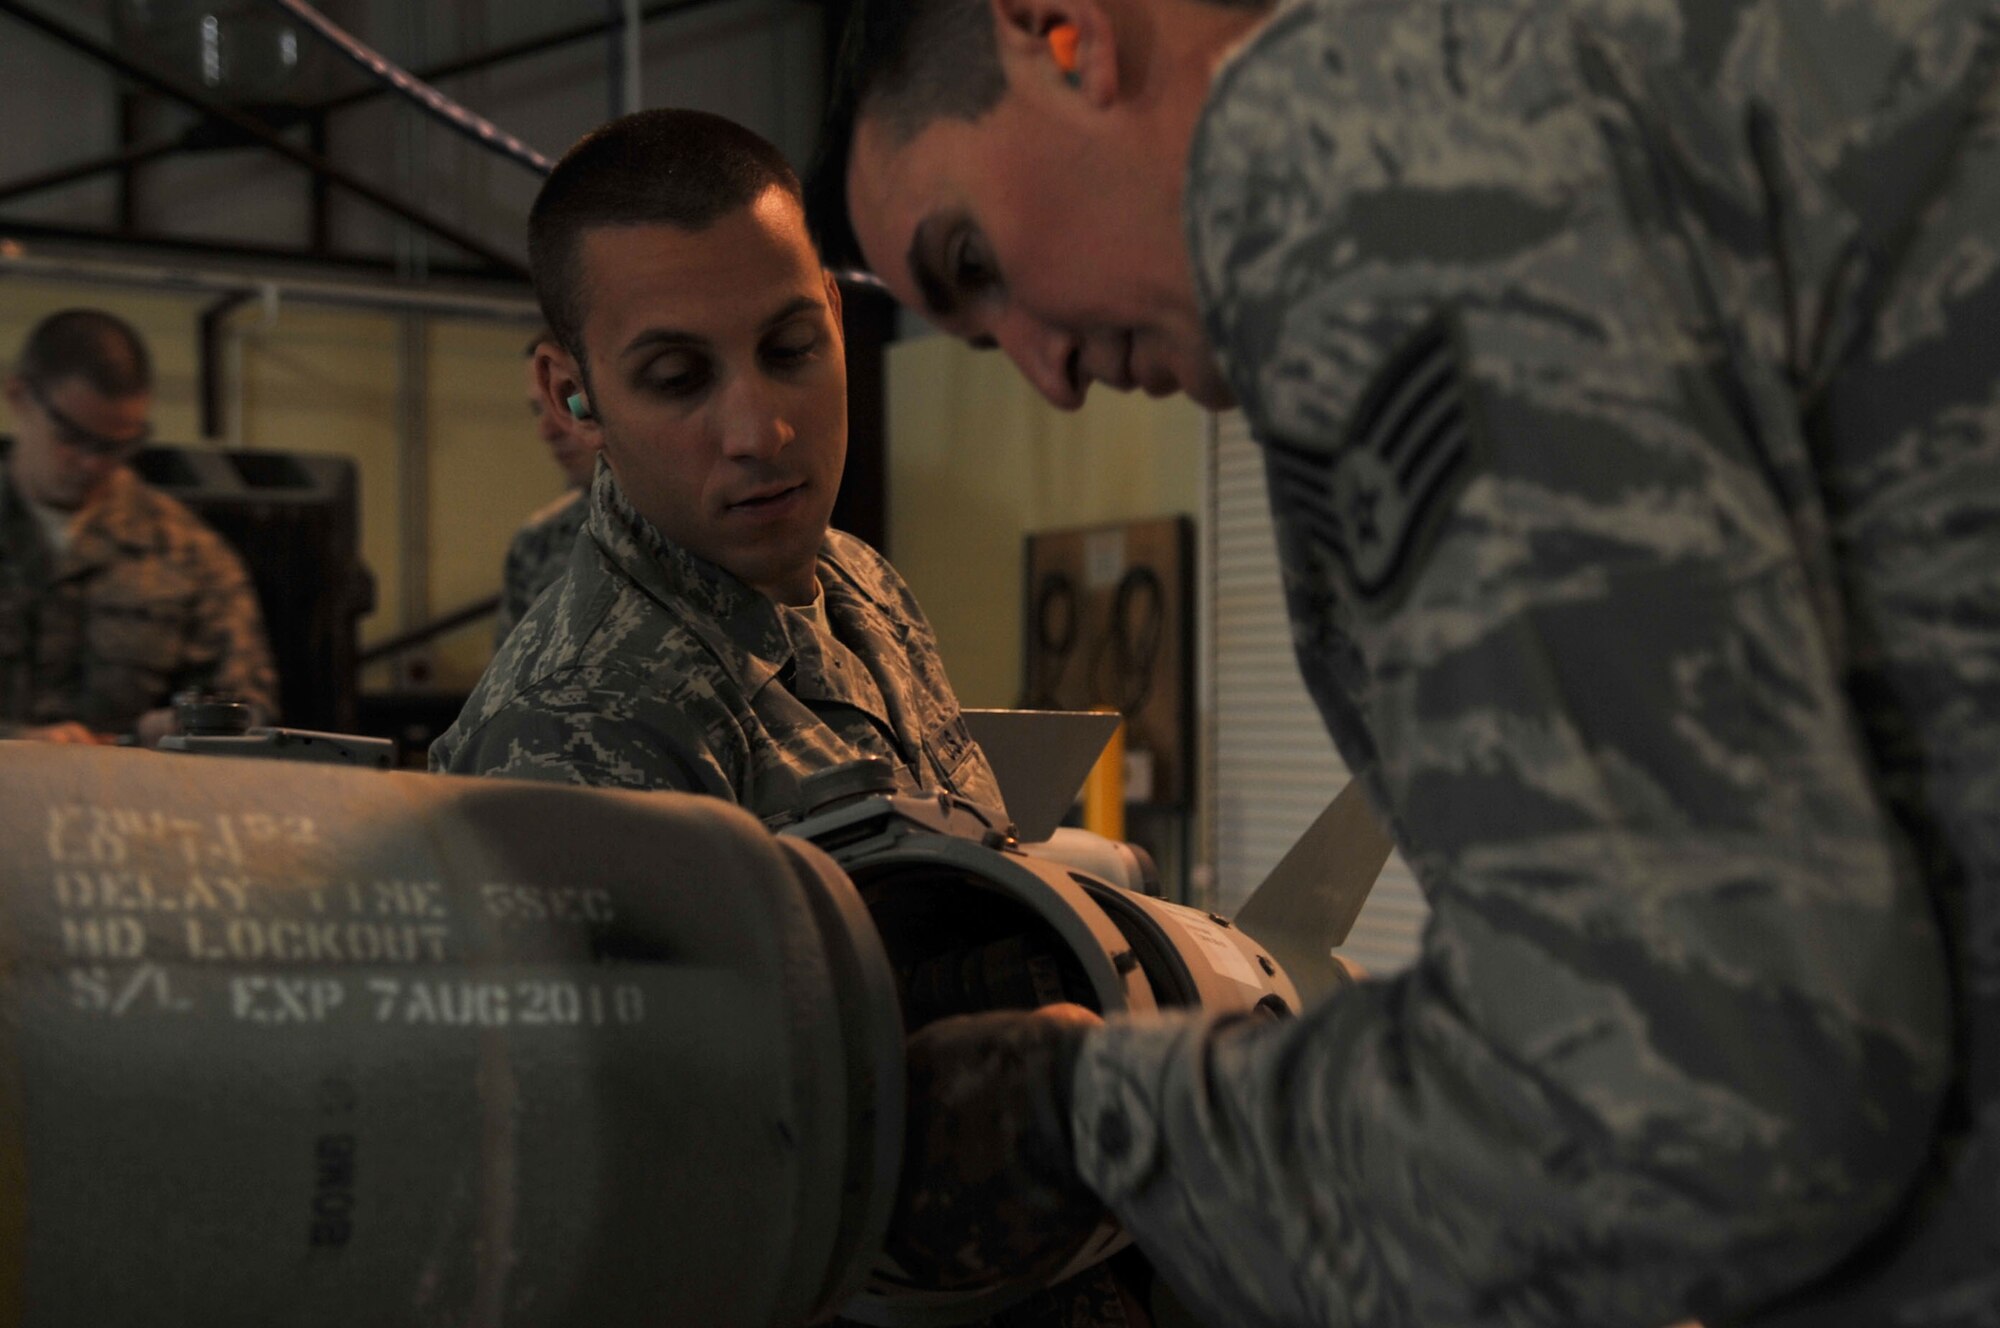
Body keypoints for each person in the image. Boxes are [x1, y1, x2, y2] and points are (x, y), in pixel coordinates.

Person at [808, 1, 1999, 1325]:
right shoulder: (1601, 77)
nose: (1047, 375)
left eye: (974, 259)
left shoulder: (1378, 194)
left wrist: (1096, 1120)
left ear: (1058, 28)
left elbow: (1697, 1097)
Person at [430, 110, 1009, 834]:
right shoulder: (579, 726)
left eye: (792, 348)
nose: (761, 432)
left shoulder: (860, 583)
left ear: (833, 313)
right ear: (570, 397)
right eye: (678, 377)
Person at [0, 308, 277, 744]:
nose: (93, 462)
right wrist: (16, 747)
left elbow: (250, 713)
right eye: (72, 436)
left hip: (133, 803)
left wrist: (176, 730)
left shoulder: (189, 553)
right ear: (18, 396)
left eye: (117, 445)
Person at [493, 326, 600, 648]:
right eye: (538, 409)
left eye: (568, 401)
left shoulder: (701, 527)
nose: (547, 431)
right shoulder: (538, 544)